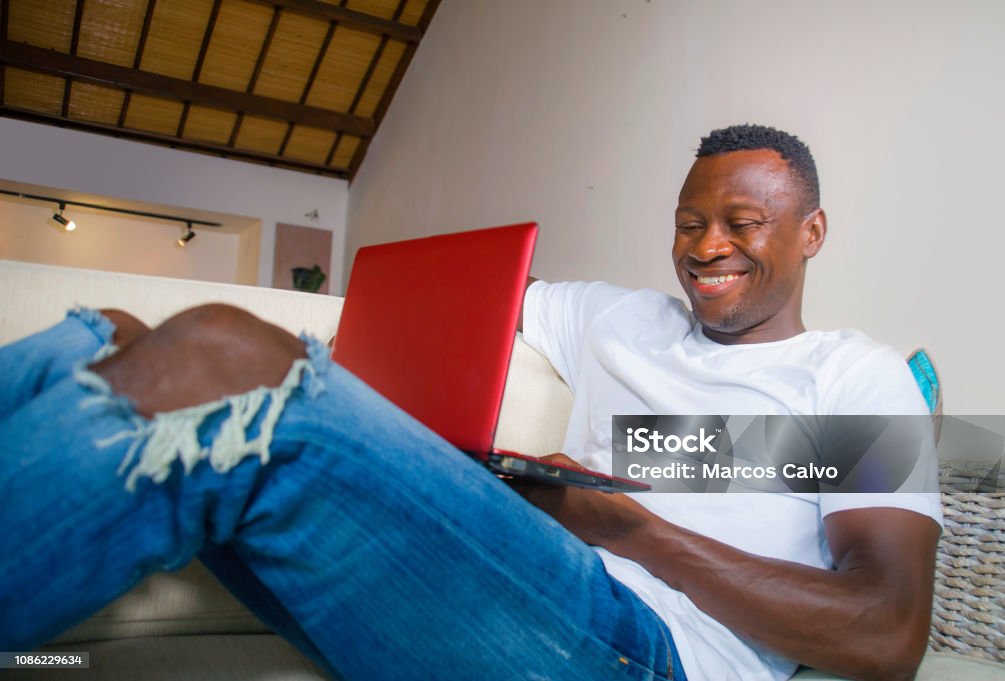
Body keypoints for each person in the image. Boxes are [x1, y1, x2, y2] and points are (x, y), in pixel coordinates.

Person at [0, 124, 940, 681]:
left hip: (643, 650)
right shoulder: (611, 316)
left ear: (811, 232)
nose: (706, 248)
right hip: (514, 566)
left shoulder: (855, 382)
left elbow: (888, 629)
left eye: (743, 224)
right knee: (120, 331)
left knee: (217, 348)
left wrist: (629, 529)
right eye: (690, 224)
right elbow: (448, 317)